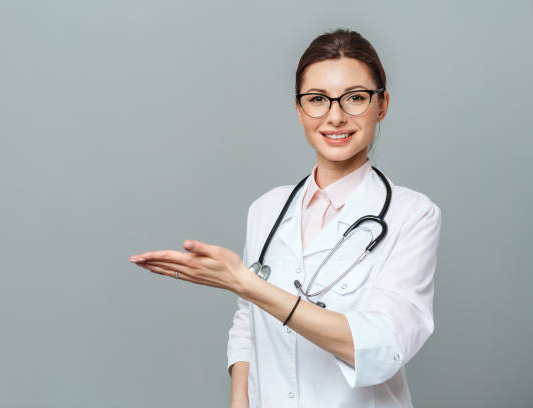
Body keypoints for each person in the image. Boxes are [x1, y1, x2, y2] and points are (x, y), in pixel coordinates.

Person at [129, 28, 441, 408]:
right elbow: (248, 324)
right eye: (317, 100)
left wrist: (247, 284)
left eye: (355, 98)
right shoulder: (267, 209)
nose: (336, 116)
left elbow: (382, 347)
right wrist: (239, 401)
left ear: (382, 104)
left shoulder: (413, 215)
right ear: (298, 109)